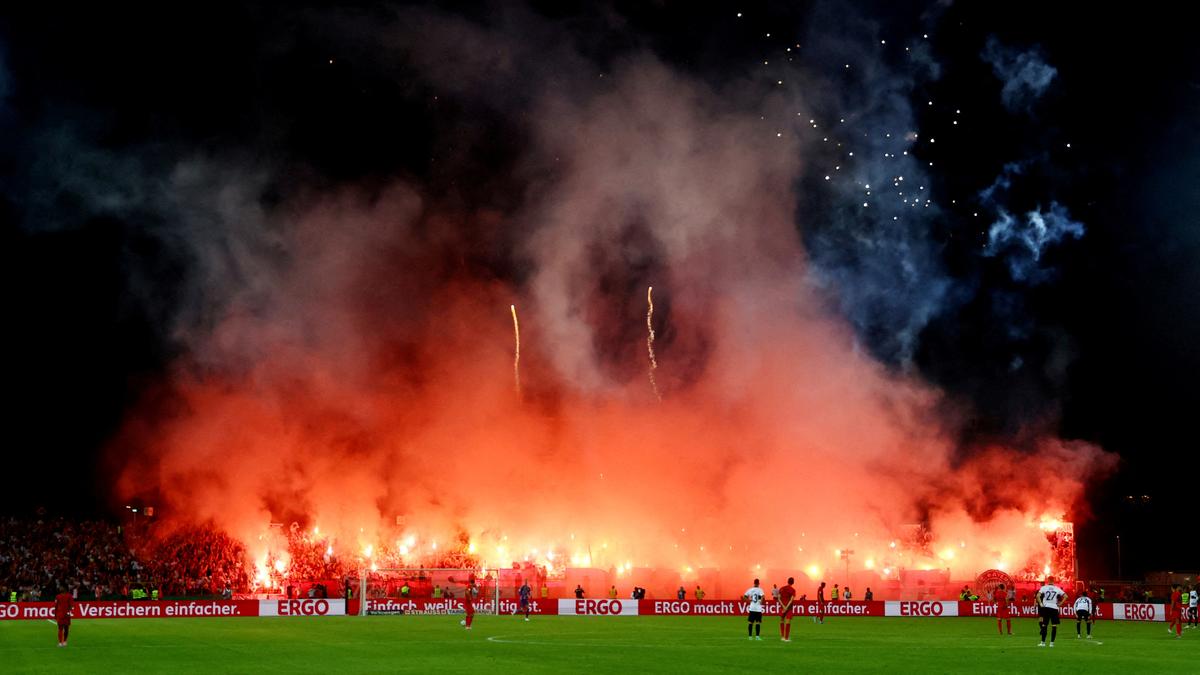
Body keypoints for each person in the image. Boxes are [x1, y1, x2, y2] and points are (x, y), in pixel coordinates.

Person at [1036, 576, 1066, 647]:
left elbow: (1038, 596)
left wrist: (1040, 603)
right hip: (1054, 608)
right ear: (1054, 580)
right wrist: (1060, 604)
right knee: (1054, 625)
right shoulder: (1057, 588)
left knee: (1044, 625)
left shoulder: (1044, 588)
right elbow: (1066, 596)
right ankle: (1052, 643)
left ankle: (1043, 643)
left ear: (1048, 580)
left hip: (1046, 607)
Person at [778, 577, 797, 642]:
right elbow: (791, 600)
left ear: (787, 581)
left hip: (782, 607)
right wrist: (786, 607)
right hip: (789, 608)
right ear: (793, 582)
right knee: (788, 621)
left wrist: (783, 606)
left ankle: (782, 637)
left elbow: (779, 598)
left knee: (781, 620)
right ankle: (786, 638)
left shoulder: (782, 588)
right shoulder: (792, 590)